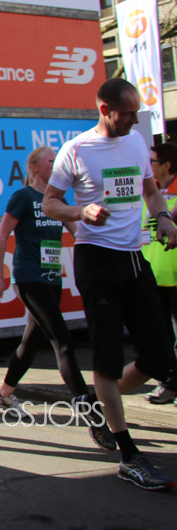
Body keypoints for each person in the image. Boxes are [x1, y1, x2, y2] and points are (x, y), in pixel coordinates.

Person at [43, 77, 177, 491]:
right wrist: (81, 212)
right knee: (106, 356)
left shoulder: (136, 142)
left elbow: (151, 191)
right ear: (105, 109)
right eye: (128, 114)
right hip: (96, 259)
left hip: (134, 258)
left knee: (160, 355)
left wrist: (164, 218)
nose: (135, 121)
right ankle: (129, 456)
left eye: (137, 114)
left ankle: (103, 405)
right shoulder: (76, 150)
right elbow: (50, 203)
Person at [0, 146, 114, 450]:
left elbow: (78, 232)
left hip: (52, 277)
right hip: (29, 278)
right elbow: (2, 235)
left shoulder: (57, 201)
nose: (56, 165)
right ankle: (92, 414)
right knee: (63, 341)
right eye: (50, 161)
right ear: (34, 167)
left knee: (31, 342)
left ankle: (3, 395)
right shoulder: (23, 197)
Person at [141, 142, 177, 403]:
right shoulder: (149, 191)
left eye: (152, 161)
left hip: (175, 276)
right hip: (152, 276)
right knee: (161, 336)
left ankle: (171, 386)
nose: (148, 165)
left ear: (167, 165)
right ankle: (168, 381)